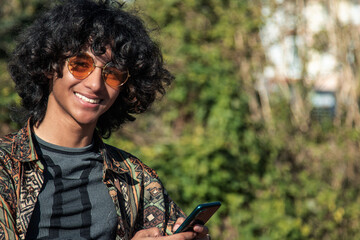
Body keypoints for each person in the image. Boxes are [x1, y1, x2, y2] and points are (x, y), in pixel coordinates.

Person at [0, 0, 210, 239]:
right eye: (80, 65)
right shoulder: (5, 168)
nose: (95, 84)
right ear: (50, 65)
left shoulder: (136, 179)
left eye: (112, 74)